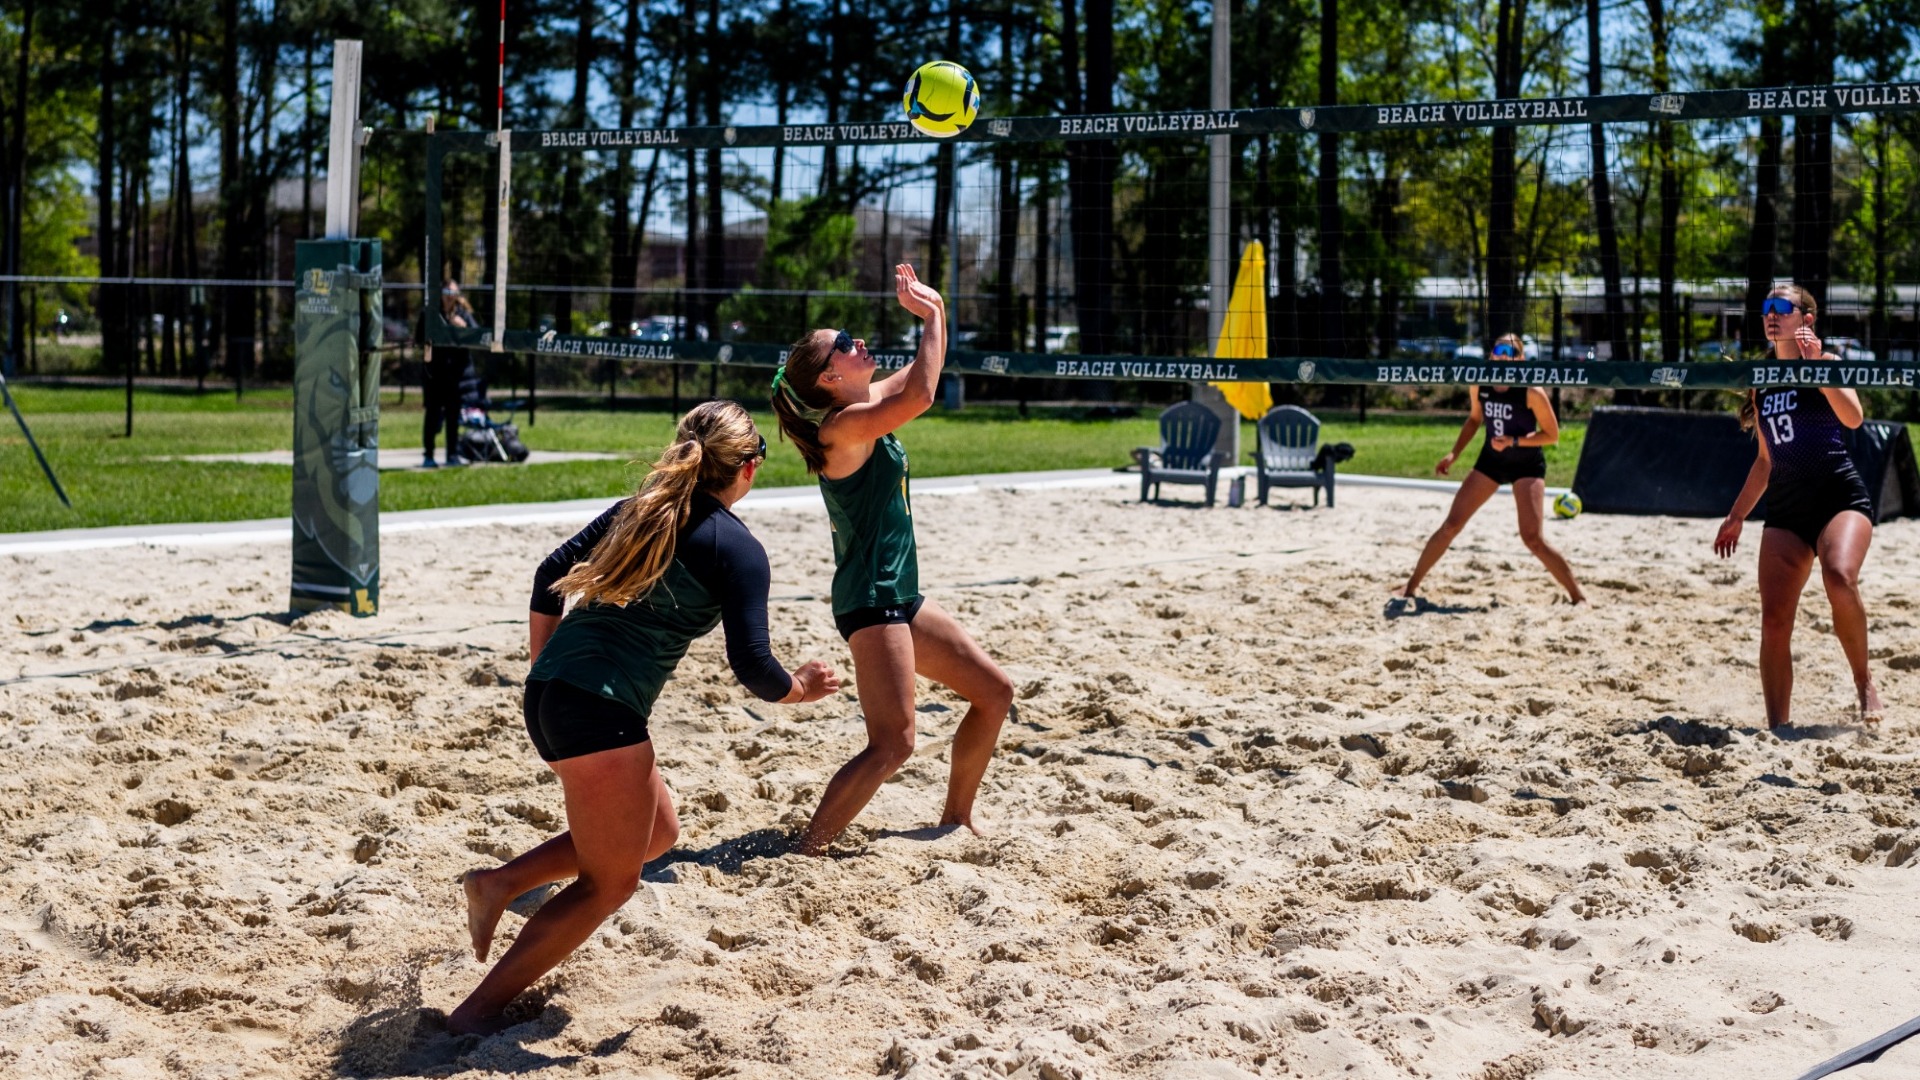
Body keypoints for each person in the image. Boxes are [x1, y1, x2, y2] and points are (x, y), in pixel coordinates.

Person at [449, 400, 841, 1035]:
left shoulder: (645, 509)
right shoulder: (737, 548)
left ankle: (500, 885)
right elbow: (753, 666)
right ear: (746, 468)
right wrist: (801, 688)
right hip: (596, 711)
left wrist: (546, 663)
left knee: (656, 833)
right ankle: (475, 1013)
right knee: (610, 885)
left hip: (551, 695)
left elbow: (551, 575)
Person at [770, 263, 1013, 857]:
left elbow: (920, 373)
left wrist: (939, 312)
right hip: (872, 602)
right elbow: (924, 394)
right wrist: (930, 315)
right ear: (830, 376)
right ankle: (810, 850)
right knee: (894, 744)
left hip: (900, 595)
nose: (860, 343)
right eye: (848, 344)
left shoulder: (861, 403)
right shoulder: (843, 428)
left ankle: (957, 817)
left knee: (995, 693)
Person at [1713, 284, 1883, 729]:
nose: (1770, 314)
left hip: (1837, 495)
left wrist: (1814, 365)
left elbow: (1854, 418)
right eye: (1766, 307)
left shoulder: (1826, 365)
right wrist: (1736, 516)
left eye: (1780, 308)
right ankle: (1778, 727)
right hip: (1787, 506)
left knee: (1839, 577)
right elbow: (1766, 459)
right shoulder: (1762, 382)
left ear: (1806, 319)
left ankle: (1864, 681)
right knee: (1773, 622)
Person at [1394, 332, 1587, 604]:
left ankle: (1578, 596)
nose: (1502, 356)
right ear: (1492, 354)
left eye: (1509, 353)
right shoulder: (1481, 383)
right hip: (1491, 462)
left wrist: (1515, 441)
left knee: (1532, 538)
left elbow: (1552, 435)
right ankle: (1410, 586)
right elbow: (1475, 419)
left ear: (1520, 359)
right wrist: (1453, 453)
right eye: (1498, 351)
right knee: (1451, 525)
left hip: (1526, 465)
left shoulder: (1531, 390)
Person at [424, 283, 475, 468]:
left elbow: (477, 335)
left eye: (452, 292)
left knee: (453, 418)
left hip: (455, 377)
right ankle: (428, 456)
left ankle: (452, 456)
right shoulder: (430, 314)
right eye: (445, 291)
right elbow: (419, 338)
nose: (449, 296)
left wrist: (464, 327)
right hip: (435, 376)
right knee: (432, 417)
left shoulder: (462, 314)